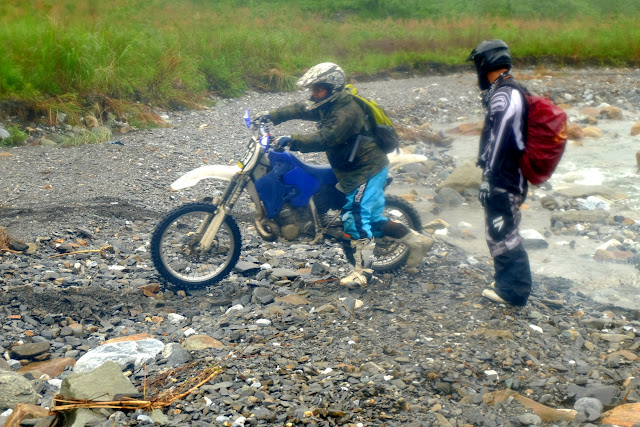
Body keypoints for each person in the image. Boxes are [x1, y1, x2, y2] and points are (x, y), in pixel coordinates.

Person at [254, 62, 433, 287]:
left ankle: (363, 272)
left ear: (333, 87)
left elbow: (326, 138)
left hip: (366, 168)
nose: (314, 93)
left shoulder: (346, 111)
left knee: (354, 215)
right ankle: (417, 241)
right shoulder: (328, 103)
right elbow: (301, 108)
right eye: (313, 88)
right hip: (350, 168)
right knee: (373, 221)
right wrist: (271, 116)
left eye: (318, 89)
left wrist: (293, 140)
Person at [466, 40, 532, 306]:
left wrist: (489, 176)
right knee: (500, 228)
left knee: (503, 231)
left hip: (504, 176)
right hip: (509, 175)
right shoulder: (508, 89)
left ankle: (514, 291)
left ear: (485, 63)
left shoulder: (504, 94)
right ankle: (506, 282)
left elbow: (499, 138)